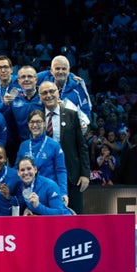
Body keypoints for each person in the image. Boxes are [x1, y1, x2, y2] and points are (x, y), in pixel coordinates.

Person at [39, 81, 90, 214]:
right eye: (44, 92)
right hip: (45, 174)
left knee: (75, 217)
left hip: (71, 176)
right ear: (39, 97)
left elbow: (82, 146)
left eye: (52, 91)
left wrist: (85, 174)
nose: (49, 95)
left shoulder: (71, 115)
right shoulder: (36, 117)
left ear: (58, 93)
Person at [15, 109, 68, 204]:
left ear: (44, 124)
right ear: (28, 124)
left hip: (48, 192)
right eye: (32, 122)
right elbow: (17, 169)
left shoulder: (54, 145)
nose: (35, 125)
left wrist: (63, 193)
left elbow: (61, 171)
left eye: (38, 121)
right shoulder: (24, 145)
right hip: (29, 193)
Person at [5, 65, 44, 165]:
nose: (26, 79)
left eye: (30, 76)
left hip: (42, 144)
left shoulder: (45, 97)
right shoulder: (13, 99)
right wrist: (4, 104)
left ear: (36, 79)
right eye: (23, 77)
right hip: (19, 145)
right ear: (18, 81)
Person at [37, 55, 92, 120]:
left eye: (64, 69)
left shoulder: (77, 89)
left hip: (69, 127)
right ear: (51, 71)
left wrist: (67, 107)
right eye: (57, 68)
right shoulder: (41, 86)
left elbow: (86, 115)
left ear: (68, 70)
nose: (60, 72)